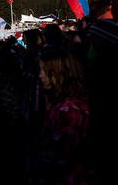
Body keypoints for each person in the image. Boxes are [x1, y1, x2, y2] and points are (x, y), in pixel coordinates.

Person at [37, 49, 91, 184]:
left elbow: (61, 157)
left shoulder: (69, 111)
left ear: (57, 73)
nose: (40, 76)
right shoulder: (61, 103)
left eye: (43, 70)